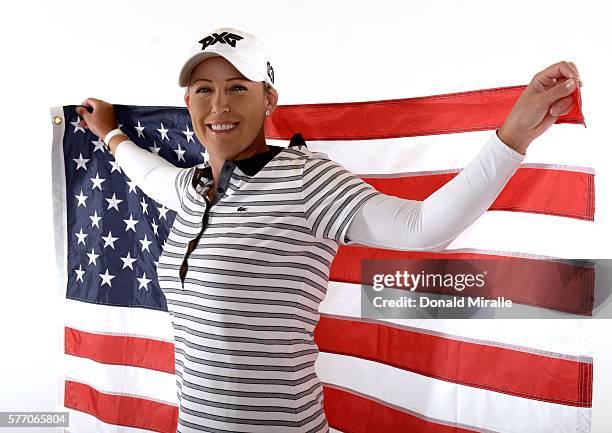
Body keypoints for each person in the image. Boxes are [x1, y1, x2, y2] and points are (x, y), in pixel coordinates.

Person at [75, 27, 581, 433]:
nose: (219, 105)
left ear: (268, 98)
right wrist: (111, 132)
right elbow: (145, 172)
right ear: (188, 103)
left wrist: (513, 134)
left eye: (237, 88)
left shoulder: (304, 178)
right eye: (204, 90)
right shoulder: (191, 189)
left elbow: (423, 228)